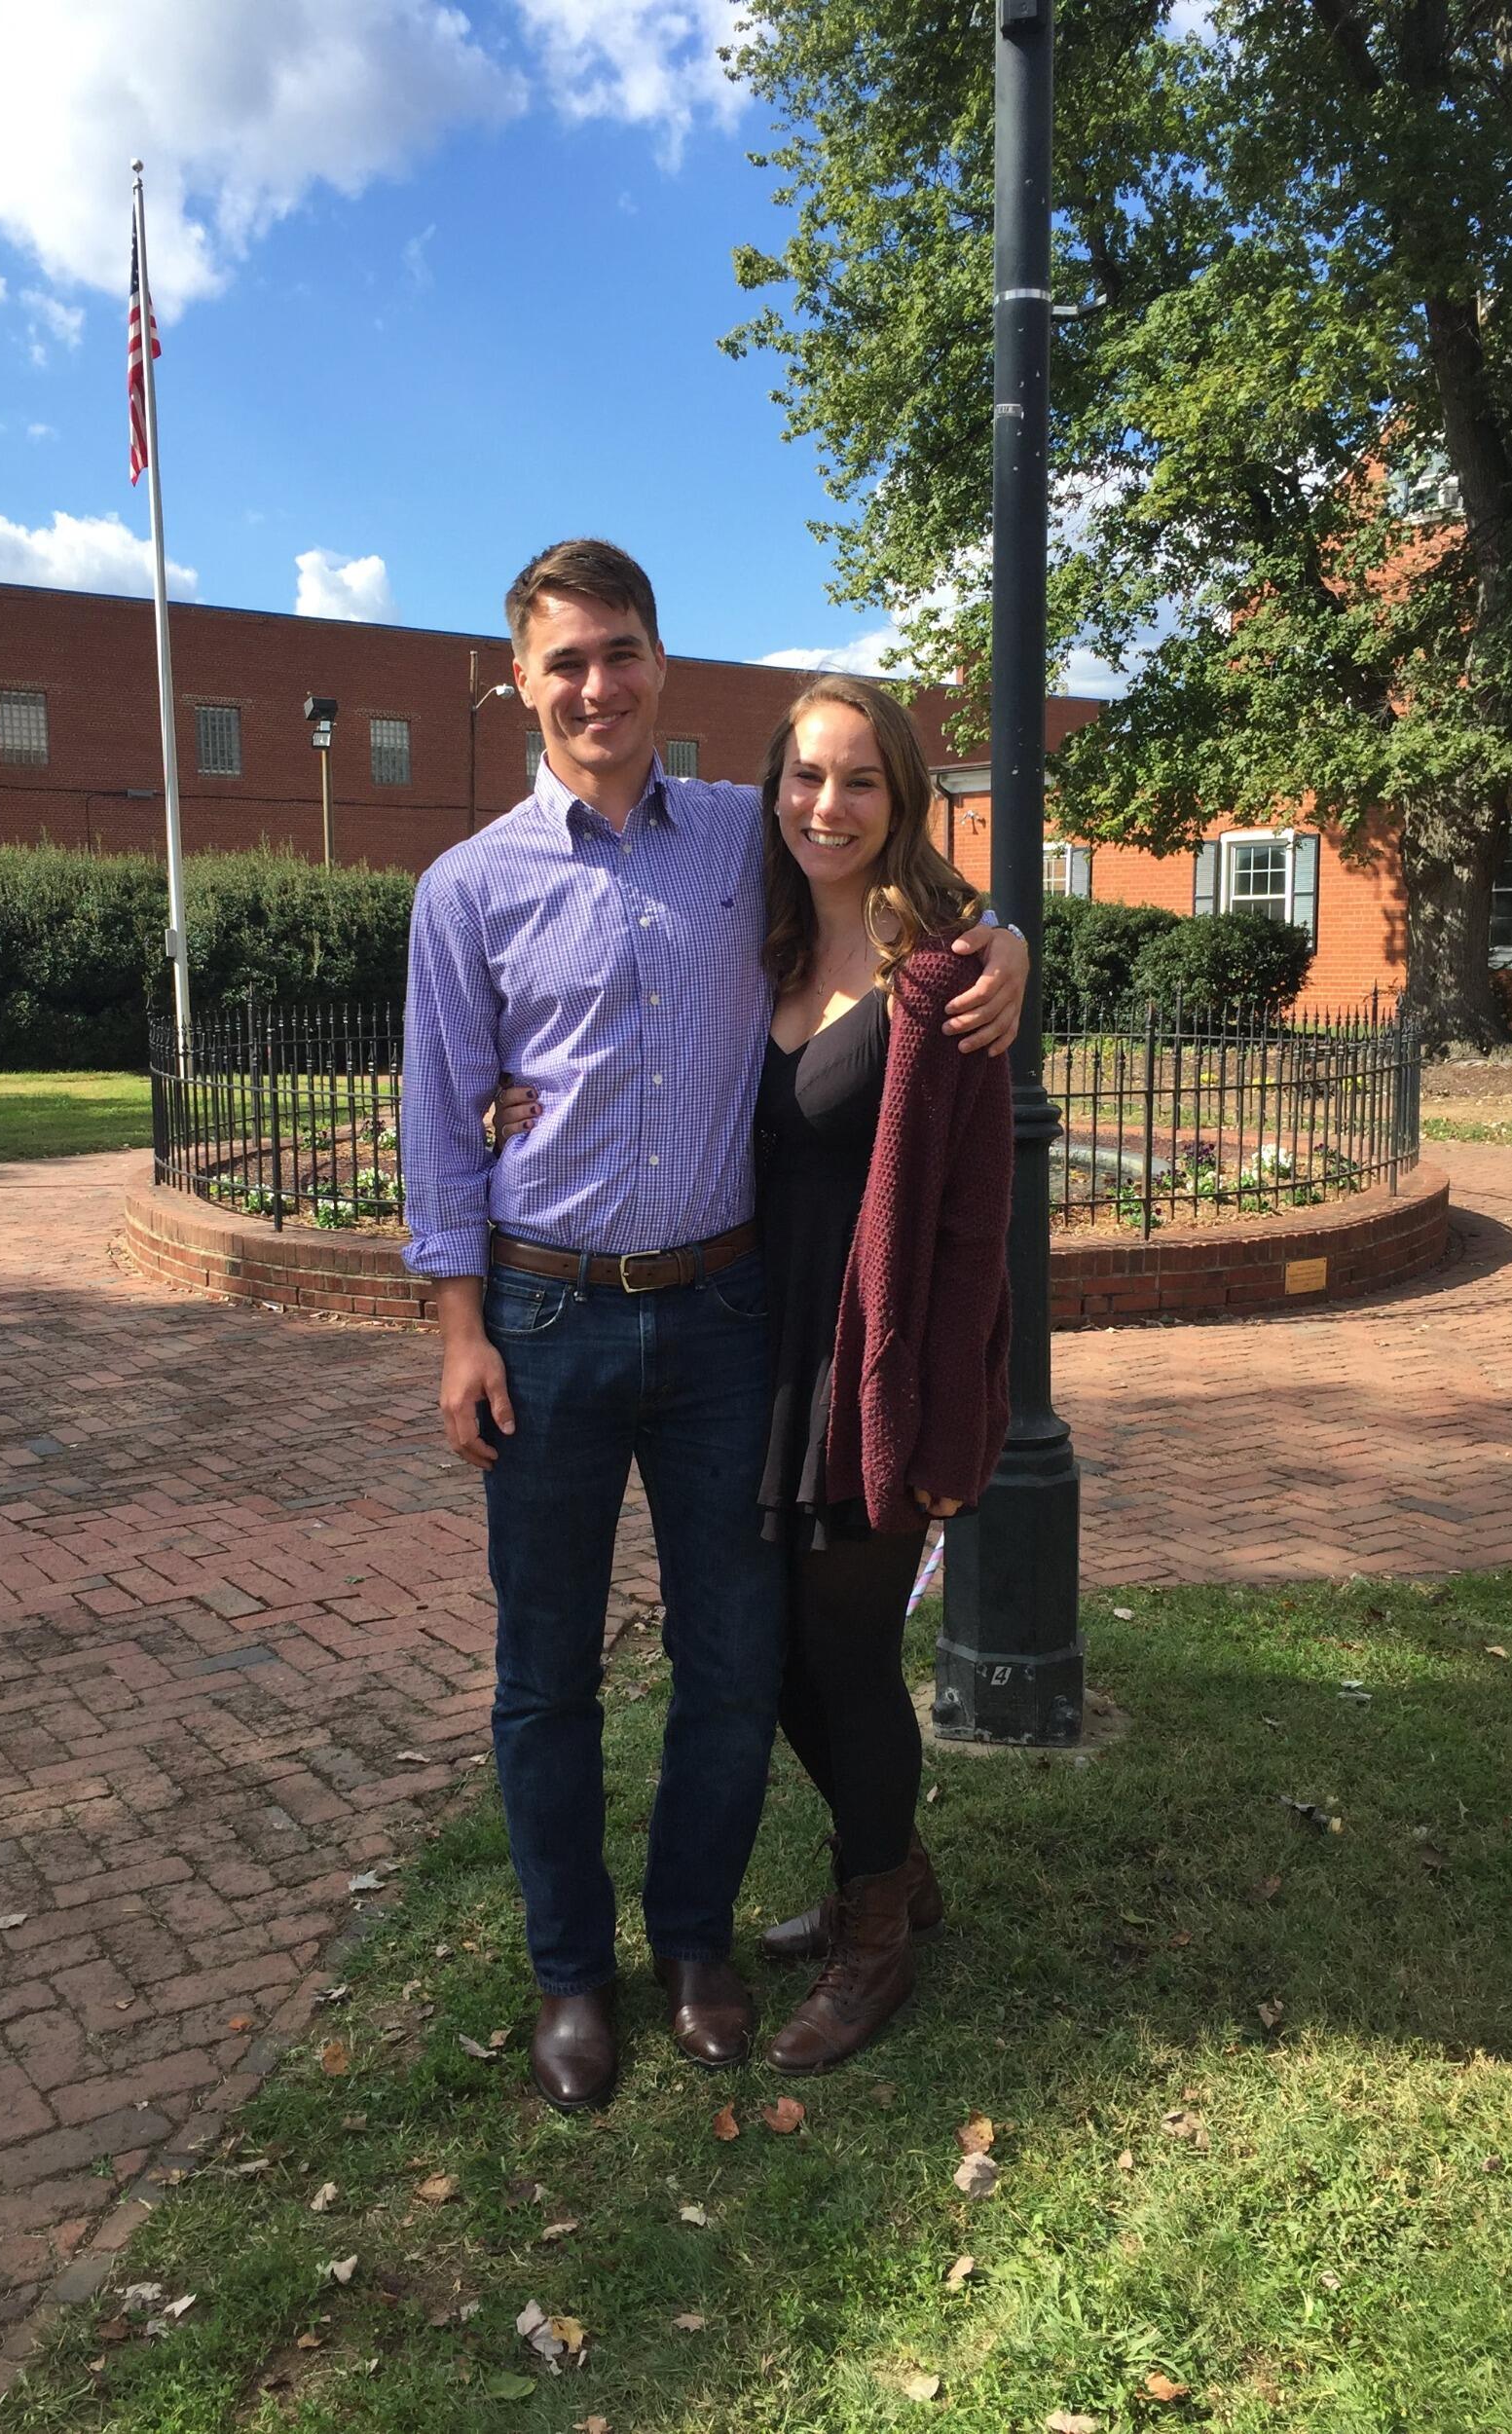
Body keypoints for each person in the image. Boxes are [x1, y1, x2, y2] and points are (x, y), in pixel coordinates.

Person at [401, 539, 1025, 2114]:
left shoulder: (748, 834)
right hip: (542, 1317)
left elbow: (906, 874)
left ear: (660, 664)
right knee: (545, 1675)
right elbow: (436, 1123)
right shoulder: (465, 889)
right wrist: (460, 1328)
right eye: (565, 663)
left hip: (728, 1316)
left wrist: (1011, 942)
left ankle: (693, 1945)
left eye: (619, 654)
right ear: (522, 682)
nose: (595, 687)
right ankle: (568, 1976)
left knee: (732, 1661)